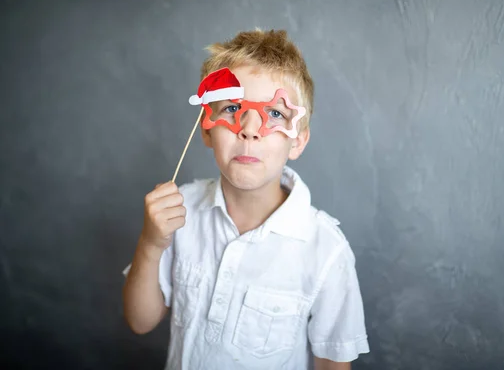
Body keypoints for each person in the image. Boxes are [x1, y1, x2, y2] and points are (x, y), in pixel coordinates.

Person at [122, 29, 369, 370]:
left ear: (296, 142)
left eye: (275, 114)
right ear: (206, 129)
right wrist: (150, 244)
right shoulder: (180, 212)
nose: (250, 129)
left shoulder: (325, 249)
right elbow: (140, 321)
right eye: (233, 108)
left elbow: (332, 363)